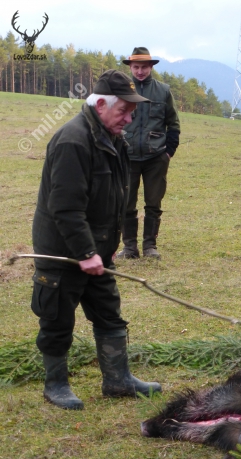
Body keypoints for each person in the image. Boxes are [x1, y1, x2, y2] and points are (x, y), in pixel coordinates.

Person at [31, 69, 162, 410]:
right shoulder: (73, 140)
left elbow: (113, 199)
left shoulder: (112, 138)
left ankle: (118, 380)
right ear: (101, 104)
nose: (129, 119)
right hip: (64, 252)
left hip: (96, 251)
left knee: (109, 313)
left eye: (132, 112)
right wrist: (87, 251)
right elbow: (65, 208)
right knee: (57, 320)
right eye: (124, 111)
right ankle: (55, 384)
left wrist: (106, 249)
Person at [117, 46, 180, 260]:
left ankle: (150, 247)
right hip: (127, 157)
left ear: (151, 67)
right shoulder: (121, 90)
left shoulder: (163, 91)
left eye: (144, 67)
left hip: (156, 158)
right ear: (130, 67)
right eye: (136, 67)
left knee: (154, 204)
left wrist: (168, 152)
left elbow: (173, 124)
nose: (140, 71)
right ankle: (129, 248)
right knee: (126, 203)